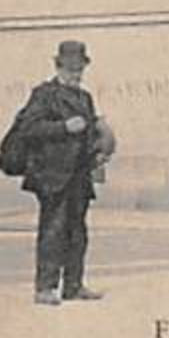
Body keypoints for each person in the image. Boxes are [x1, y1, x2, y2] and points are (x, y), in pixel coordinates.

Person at [11, 39, 111, 306]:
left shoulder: (85, 98)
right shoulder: (44, 94)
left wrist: (99, 150)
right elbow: (28, 130)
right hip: (52, 175)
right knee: (53, 231)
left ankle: (73, 286)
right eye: (70, 69)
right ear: (58, 67)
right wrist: (64, 127)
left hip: (79, 175)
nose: (75, 75)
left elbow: (87, 133)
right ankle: (45, 288)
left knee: (78, 233)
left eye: (79, 69)